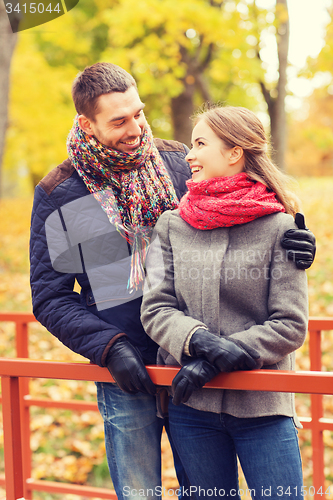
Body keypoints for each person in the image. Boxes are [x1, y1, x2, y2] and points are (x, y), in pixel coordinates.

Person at [30, 63, 314, 500]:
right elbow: (51, 298)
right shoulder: (62, 193)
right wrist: (110, 347)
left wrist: (296, 239)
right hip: (129, 370)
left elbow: (241, 205)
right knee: (141, 492)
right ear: (87, 123)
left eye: (138, 113)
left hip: (200, 367)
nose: (135, 128)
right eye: (119, 121)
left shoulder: (178, 161)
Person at [141, 105, 309, 500]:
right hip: (191, 408)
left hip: (262, 406)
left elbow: (289, 323)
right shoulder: (172, 224)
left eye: (200, 143)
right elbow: (156, 307)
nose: (189, 155)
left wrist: (219, 357)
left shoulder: (281, 226)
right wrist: (199, 342)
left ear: (234, 153)